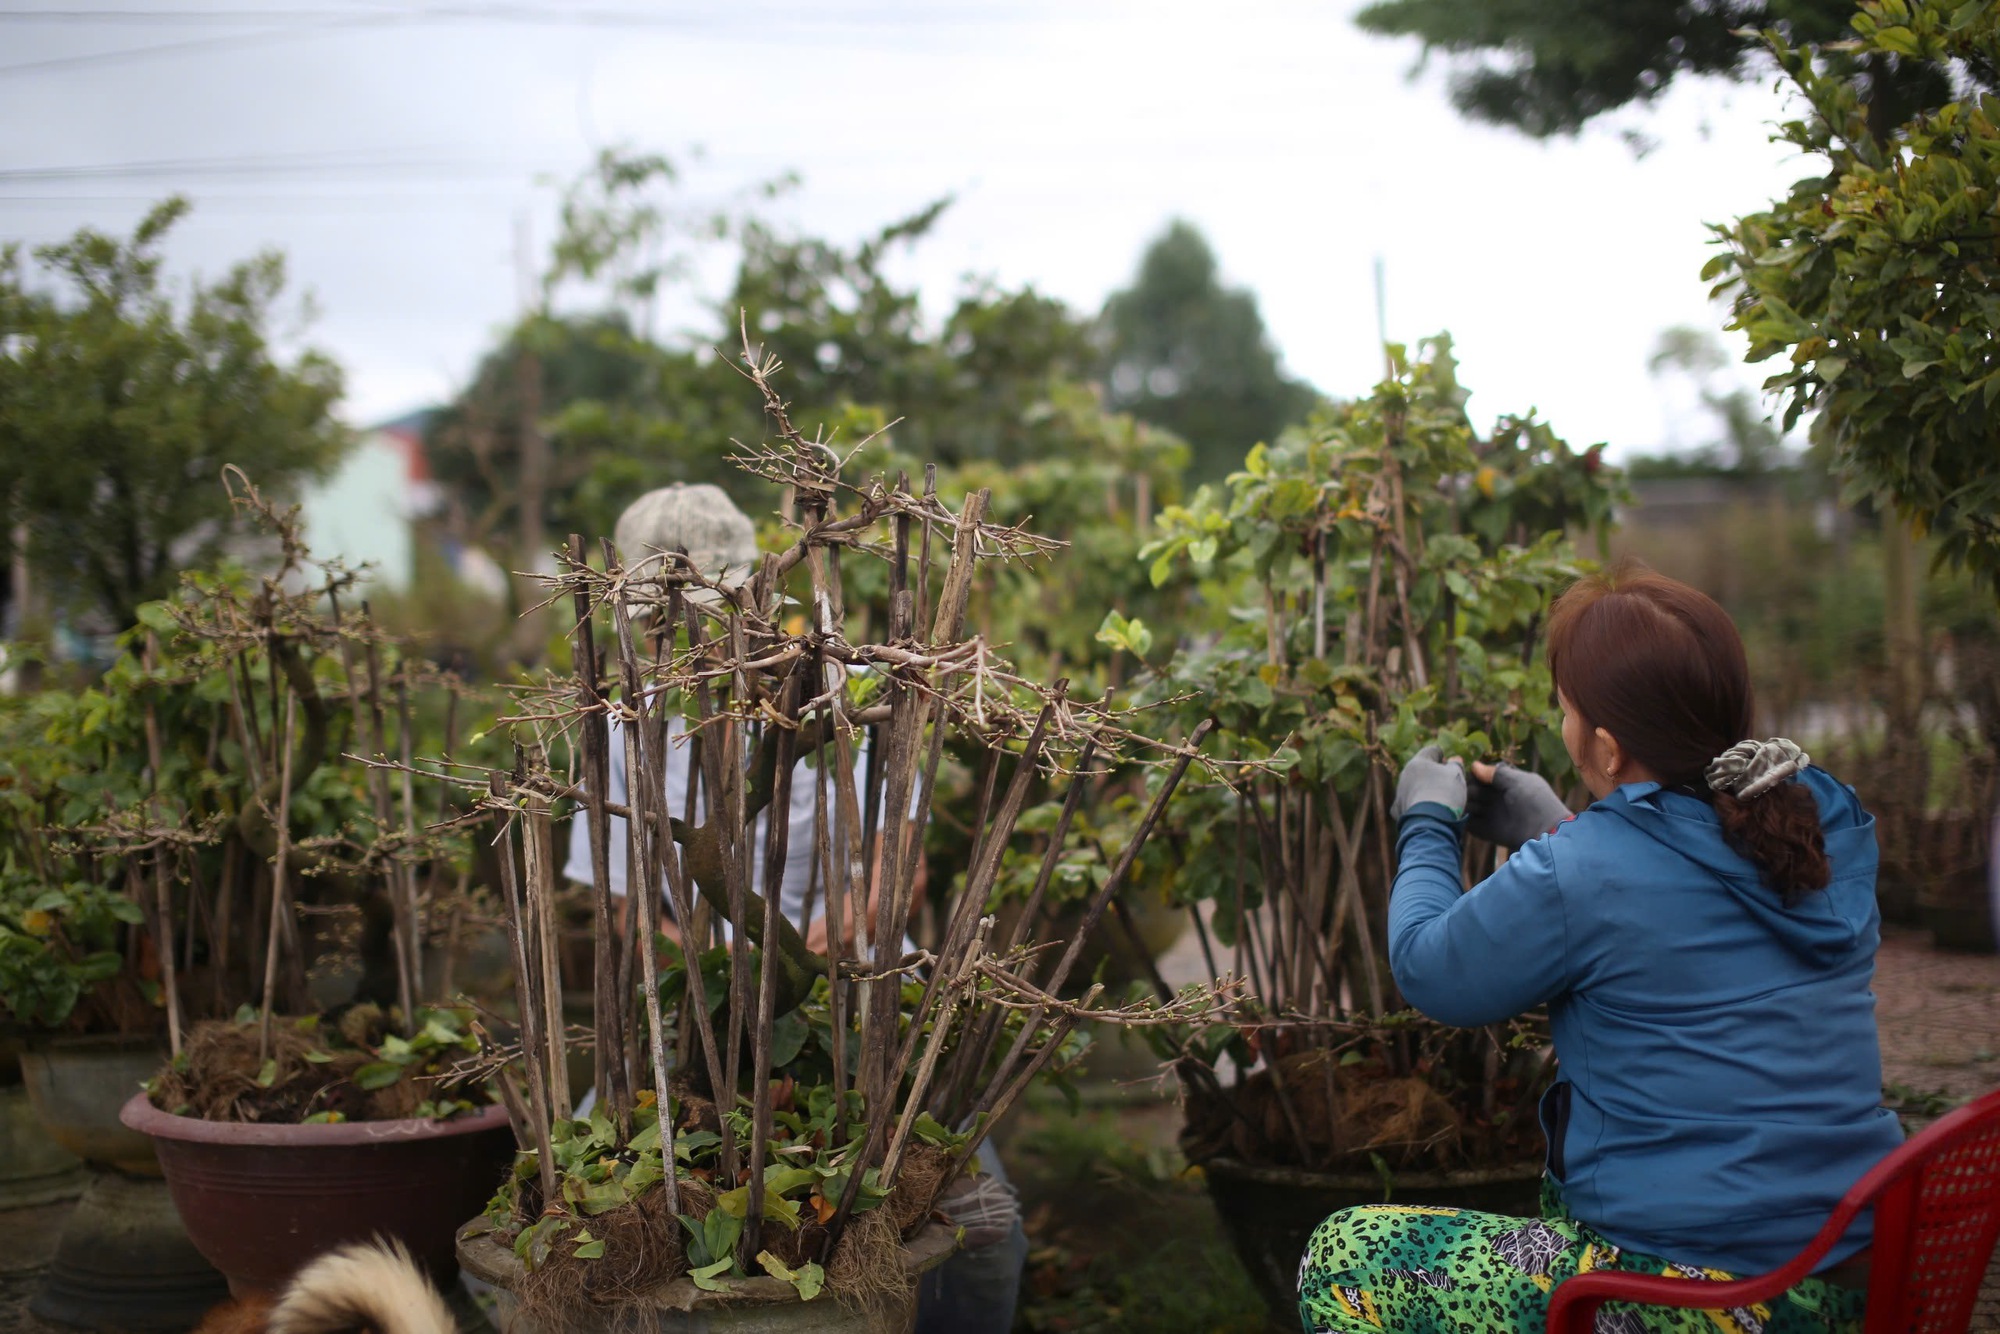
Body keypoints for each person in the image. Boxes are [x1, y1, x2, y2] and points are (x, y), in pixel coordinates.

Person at [1295, 565, 1901, 1333]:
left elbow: (1429, 967)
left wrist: (1425, 821)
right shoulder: (1819, 827)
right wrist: (1561, 829)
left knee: (1345, 1258)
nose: (1564, 726)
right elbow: (1675, 905)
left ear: (1608, 749)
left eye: (1567, 711)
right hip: (1860, 1275)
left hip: (1713, 1297)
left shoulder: (1584, 872)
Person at [564, 483, 1028, 1334]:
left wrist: (854, 916)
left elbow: (900, 863)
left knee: (984, 1230)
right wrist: (695, 965)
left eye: (699, 611)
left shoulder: (837, 686)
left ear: (751, 594)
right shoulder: (616, 716)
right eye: (659, 619)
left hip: (851, 987)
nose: (682, 636)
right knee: (574, 1217)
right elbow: (625, 910)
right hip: (696, 1008)